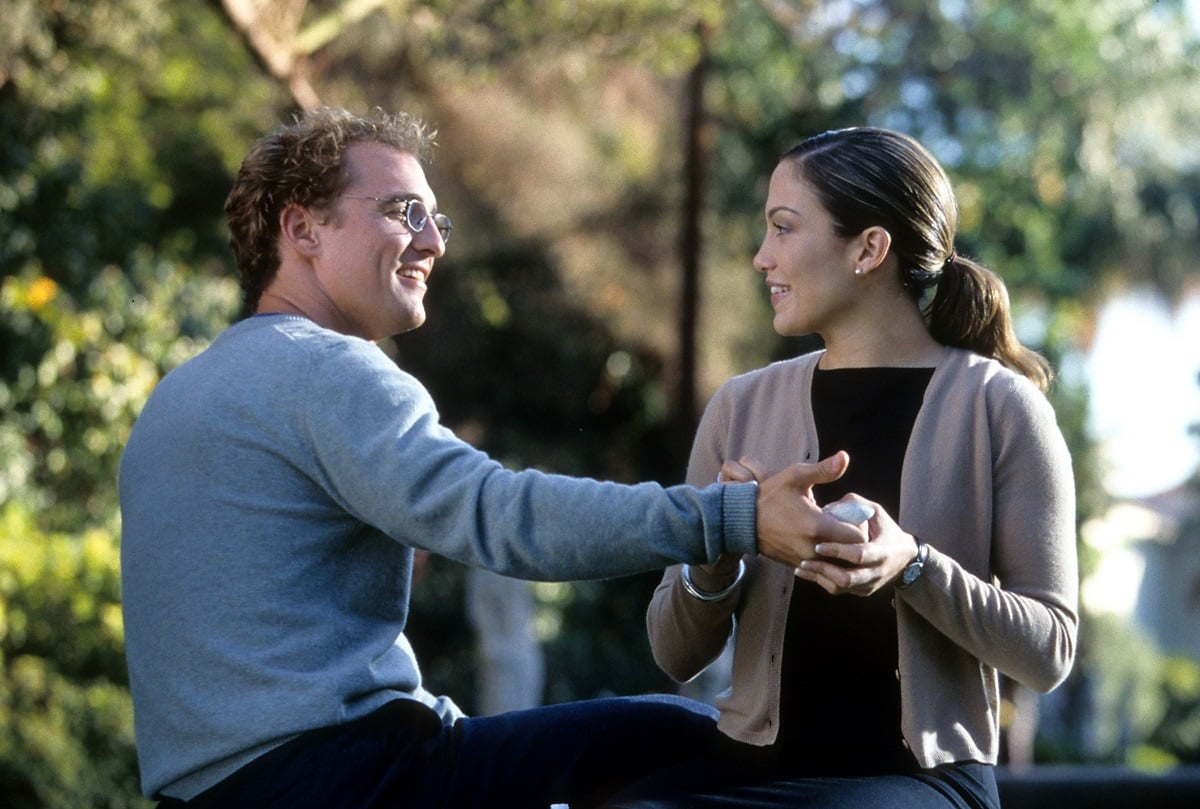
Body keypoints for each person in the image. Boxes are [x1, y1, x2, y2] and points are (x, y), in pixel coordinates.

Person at [117, 106, 868, 809]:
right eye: (402, 212)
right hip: (342, 774)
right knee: (689, 738)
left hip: (205, 787)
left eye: (435, 219)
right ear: (303, 229)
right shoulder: (328, 368)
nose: (435, 242)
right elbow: (507, 519)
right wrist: (732, 515)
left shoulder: (179, 394)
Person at [608, 127, 1078, 808]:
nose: (761, 256)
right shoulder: (741, 405)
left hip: (924, 781)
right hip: (746, 764)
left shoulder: (1000, 407)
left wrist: (914, 567)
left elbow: (1050, 650)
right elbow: (674, 652)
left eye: (783, 229)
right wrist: (719, 547)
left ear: (869, 248)